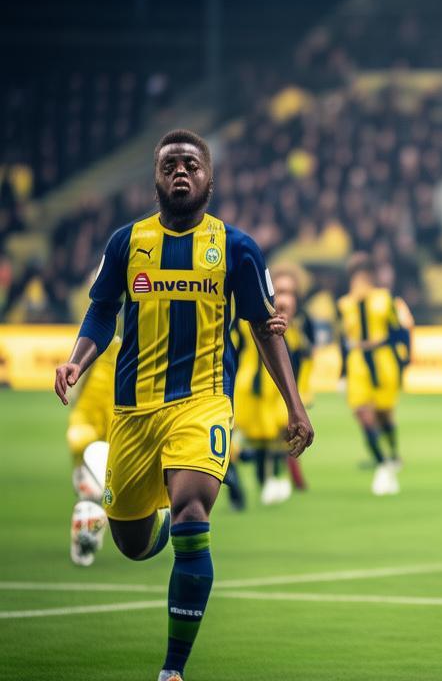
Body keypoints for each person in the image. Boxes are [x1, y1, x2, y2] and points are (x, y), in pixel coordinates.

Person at [53, 129, 315, 681]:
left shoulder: (238, 249)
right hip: (134, 411)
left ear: (209, 180)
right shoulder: (126, 243)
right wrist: (77, 361)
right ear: (155, 178)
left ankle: (173, 669)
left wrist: (295, 406)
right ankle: (140, 508)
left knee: (194, 513)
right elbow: (102, 310)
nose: (180, 172)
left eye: (191, 165)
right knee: (131, 543)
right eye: (170, 164)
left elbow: (265, 328)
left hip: (203, 403)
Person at [233, 266, 316, 504]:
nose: (284, 299)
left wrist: (303, 393)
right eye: (280, 291)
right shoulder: (247, 320)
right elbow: (234, 351)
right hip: (249, 389)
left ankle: (274, 479)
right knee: (248, 440)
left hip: (279, 393)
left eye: (290, 292)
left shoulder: (300, 327)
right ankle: (239, 477)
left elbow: (305, 360)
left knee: (280, 434)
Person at [337, 253, 412, 496]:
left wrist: (404, 361)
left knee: (384, 414)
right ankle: (382, 464)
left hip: (382, 360)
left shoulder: (385, 300)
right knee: (362, 413)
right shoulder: (345, 304)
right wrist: (342, 373)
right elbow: (342, 340)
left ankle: (393, 454)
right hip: (358, 362)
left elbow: (399, 331)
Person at [66, 334, 119, 566]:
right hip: (106, 405)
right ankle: (89, 526)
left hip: (106, 407)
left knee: (96, 481)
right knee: (96, 481)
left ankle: (89, 525)